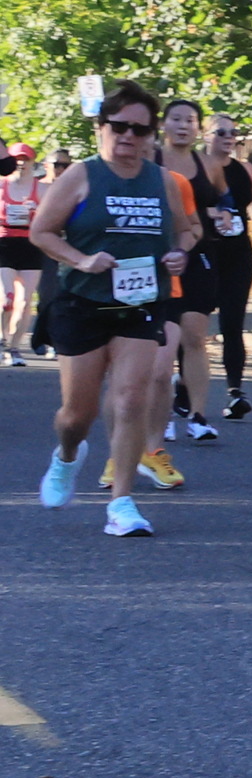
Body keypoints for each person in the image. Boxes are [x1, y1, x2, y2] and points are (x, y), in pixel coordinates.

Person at [30, 84, 192, 536]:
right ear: (102, 128)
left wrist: (179, 253)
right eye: (119, 127)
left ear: (151, 135)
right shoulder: (81, 175)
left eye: (140, 130)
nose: (129, 137)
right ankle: (67, 455)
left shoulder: (162, 181)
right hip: (82, 302)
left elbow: (185, 230)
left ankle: (121, 503)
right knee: (76, 415)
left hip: (141, 302)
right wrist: (82, 260)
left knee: (131, 398)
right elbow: (42, 232)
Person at [156, 99, 252, 442]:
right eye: (176, 119)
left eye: (190, 120)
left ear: (198, 128)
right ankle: (161, 414)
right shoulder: (149, 160)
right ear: (164, 125)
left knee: (195, 336)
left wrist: (224, 214)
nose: (183, 125)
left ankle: (197, 416)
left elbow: (225, 201)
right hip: (158, 256)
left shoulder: (208, 164)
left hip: (198, 252)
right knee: (163, 340)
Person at [0, 142, 46, 366]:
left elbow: (53, 218)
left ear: (32, 162)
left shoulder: (42, 189)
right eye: (17, 159)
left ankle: (15, 347)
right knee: (6, 299)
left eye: (25, 159)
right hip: (4, 243)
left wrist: (36, 214)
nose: (20, 163)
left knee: (25, 301)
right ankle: (2, 340)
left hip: (30, 245)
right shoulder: (1, 186)